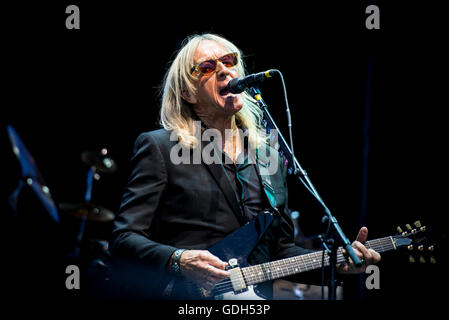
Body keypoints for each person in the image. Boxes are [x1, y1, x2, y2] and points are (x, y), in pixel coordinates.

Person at [109, 33, 381, 299]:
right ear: (188, 93)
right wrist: (179, 259)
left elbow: (279, 250)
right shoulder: (162, 147)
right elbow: (124, 237)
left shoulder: (268, 154)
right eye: (207, 67)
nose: (224, 70)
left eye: (229, 61)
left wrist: (333, 262)